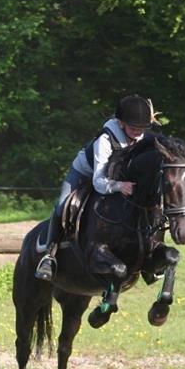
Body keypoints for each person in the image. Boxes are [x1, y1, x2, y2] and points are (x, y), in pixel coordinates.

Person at [35, 94, 156, 281]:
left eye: (142, 128)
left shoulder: (141, 137)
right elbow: (98, 182)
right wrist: (118, 186)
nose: (138, 133)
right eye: (133, 128)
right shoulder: (105, 140)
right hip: (85, 174)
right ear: (121, 123)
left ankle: (146, 257)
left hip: (117, 177)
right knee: (63, 205)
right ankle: (49, 256)